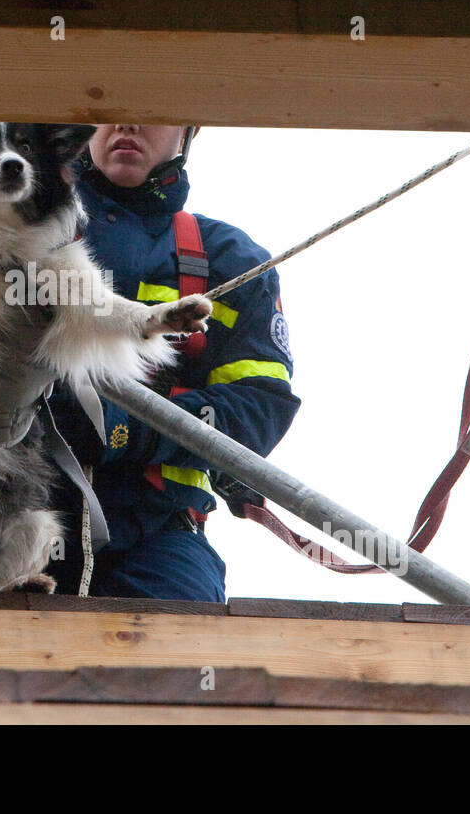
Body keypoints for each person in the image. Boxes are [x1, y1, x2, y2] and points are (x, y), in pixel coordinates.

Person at [47, 124, 300, 602]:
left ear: (186, 132)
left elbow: (258, 409)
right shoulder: (13, 231)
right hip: (0, 509)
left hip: (157, 535)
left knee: (185, 661)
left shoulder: (229, 259)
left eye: (153, 108)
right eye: (111, 107)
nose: (127, 123)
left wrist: (130, 428)